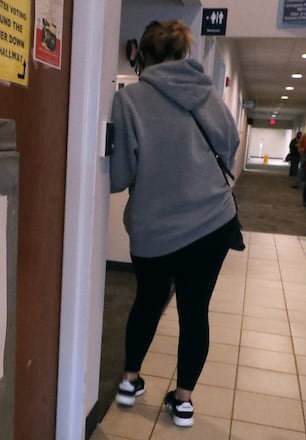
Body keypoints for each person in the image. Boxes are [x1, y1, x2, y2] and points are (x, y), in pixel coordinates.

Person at [110, 19, 240, 428]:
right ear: (185, 53)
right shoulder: (209, 95)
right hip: (212, 223)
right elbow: (230, 144)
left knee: (147, 301)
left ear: (141, 56)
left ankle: (129, 382)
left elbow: (118, 177)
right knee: (195, 310)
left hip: (155, 230)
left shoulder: (130, 100)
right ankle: (183, 402)